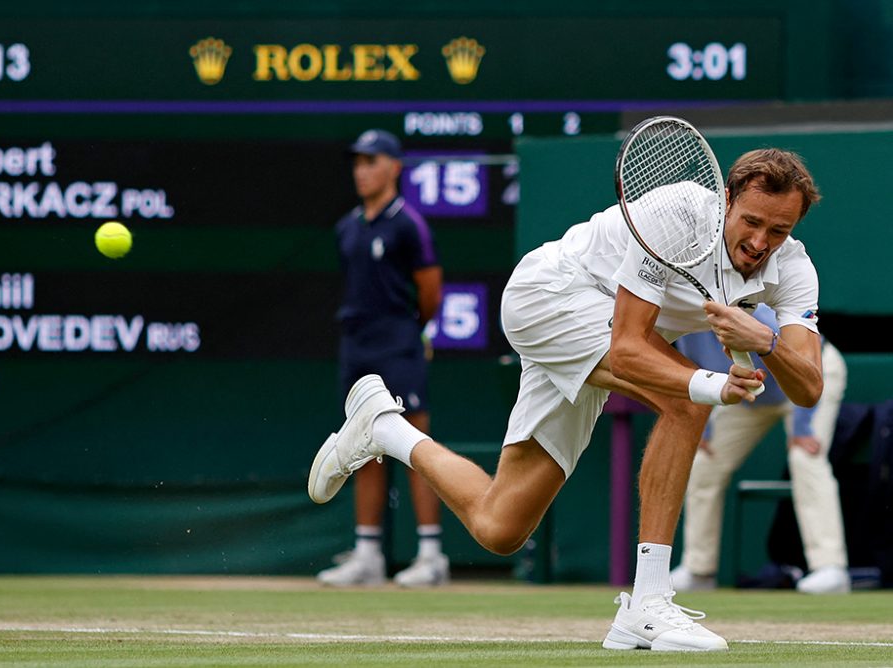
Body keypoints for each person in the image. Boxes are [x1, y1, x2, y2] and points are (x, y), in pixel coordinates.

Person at [309, 147, 823, 651]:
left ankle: (385, 428)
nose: (760, 241)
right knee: (686, 402)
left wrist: (768, 341)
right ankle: (647, 603)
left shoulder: (793, 269)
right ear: (727, 198)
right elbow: (626, 349)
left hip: (591, 329)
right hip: (548, 295)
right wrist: (712, 385)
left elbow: (808, 387)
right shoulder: (678, 213)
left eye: (778, 230)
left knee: (500, 526)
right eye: (751, 221)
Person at [316, 129, 450, 588]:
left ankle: (431, 555)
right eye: (357, 162)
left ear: (394, 167)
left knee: (416, 446)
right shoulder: (347, 227)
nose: (361, 170)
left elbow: (430, 291)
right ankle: (368, 553)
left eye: (371, 161)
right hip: (356, 345)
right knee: (361, 445)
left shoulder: (408, 223)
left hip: (398, 344)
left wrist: (409, 330)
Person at [671, 305, 850, 594]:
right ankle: (698, 570)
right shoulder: (684, 324)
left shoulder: (751, 312)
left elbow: (809, 353)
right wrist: (703, 431)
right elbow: (696, 373)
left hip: (810, 380)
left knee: (805, 457)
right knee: (705, 461)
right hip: (753, 392)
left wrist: (803, 427)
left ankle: (830, 568)